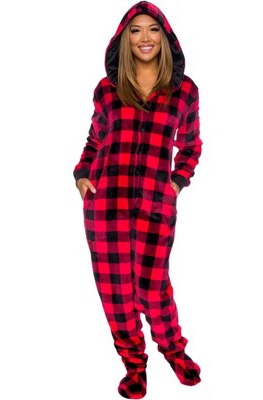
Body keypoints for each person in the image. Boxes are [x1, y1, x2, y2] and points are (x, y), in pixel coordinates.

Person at [73, 1, 203, 398]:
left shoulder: (184, 91)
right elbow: (94, 139)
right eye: (135, 30)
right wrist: (82, 174)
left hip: (155, 206)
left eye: (152, 30)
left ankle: (173, 349)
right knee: (116, 292)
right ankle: (134, 364)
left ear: (165, 37)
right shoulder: (107, 89)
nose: (144, 37)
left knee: (153, 288)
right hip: (104, 206)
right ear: (124, 39)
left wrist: (176, 183)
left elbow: (191, 146)